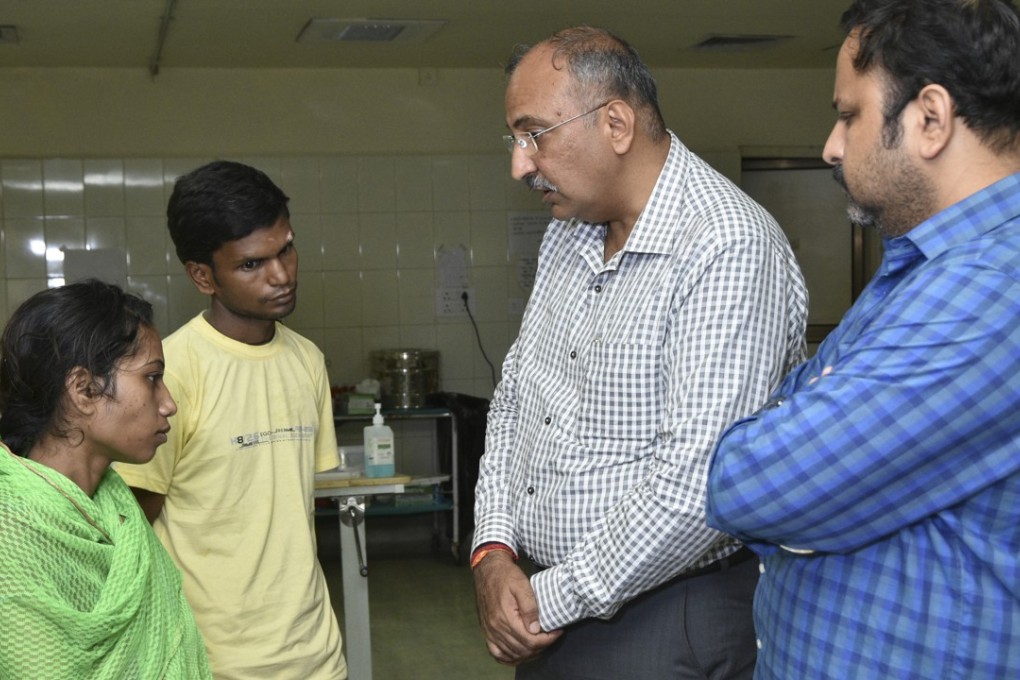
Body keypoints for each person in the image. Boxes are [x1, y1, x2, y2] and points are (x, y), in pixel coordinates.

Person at [471, 26, 809, 679]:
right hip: (546, 604)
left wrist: (549, 599)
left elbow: (695, 487)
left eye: (534, 134)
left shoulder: (726, 246)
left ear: (616, 124)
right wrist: (493, 550)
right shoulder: (569, 235)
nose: (520, 164)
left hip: (660, 616)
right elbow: (518, 403)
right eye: (514, 140)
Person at [705, 1, 1020, 678]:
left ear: (930, 119)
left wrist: (802, 503)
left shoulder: (994, 288)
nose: (831, 144)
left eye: (850, 115)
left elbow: (748, 483)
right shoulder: (919, 266)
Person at [114, 161, 347, 679]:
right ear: (203, 276)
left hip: (317, 657)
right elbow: (132, 527)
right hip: (212, 662)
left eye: (285, 248)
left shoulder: (307, 359)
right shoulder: (170, 375)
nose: (281, 274)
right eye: (251, 264)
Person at [0, 280, 212, 679]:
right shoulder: (11, 527)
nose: (169, 403)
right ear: (84, 390)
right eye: (152, 378)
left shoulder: (112, 502)